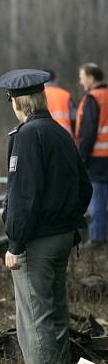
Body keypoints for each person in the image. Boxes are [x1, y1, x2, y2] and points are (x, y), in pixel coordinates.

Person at [0, 69, 92, 364]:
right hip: (63, 238)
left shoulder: (27, 137)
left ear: (15, 102)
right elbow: (86, 188)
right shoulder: (59, 133)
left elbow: (23, 196)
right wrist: (67, 221)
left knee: (34, 318)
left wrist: (15, 243)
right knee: (54, 314)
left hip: (37, 242)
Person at [75, 62, 108, 246]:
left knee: (96, 201)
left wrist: (81, 157)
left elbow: (88, 133)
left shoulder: (93, 99)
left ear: (91, 77)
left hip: (97, 158)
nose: (81, 82)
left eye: (82, 77)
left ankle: (97, 238)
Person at [42, 68, 75, 136]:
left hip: (45, 135)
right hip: (65, 136)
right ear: (55, 80)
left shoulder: (38, 96)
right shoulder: (65, 95)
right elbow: (74, 118)